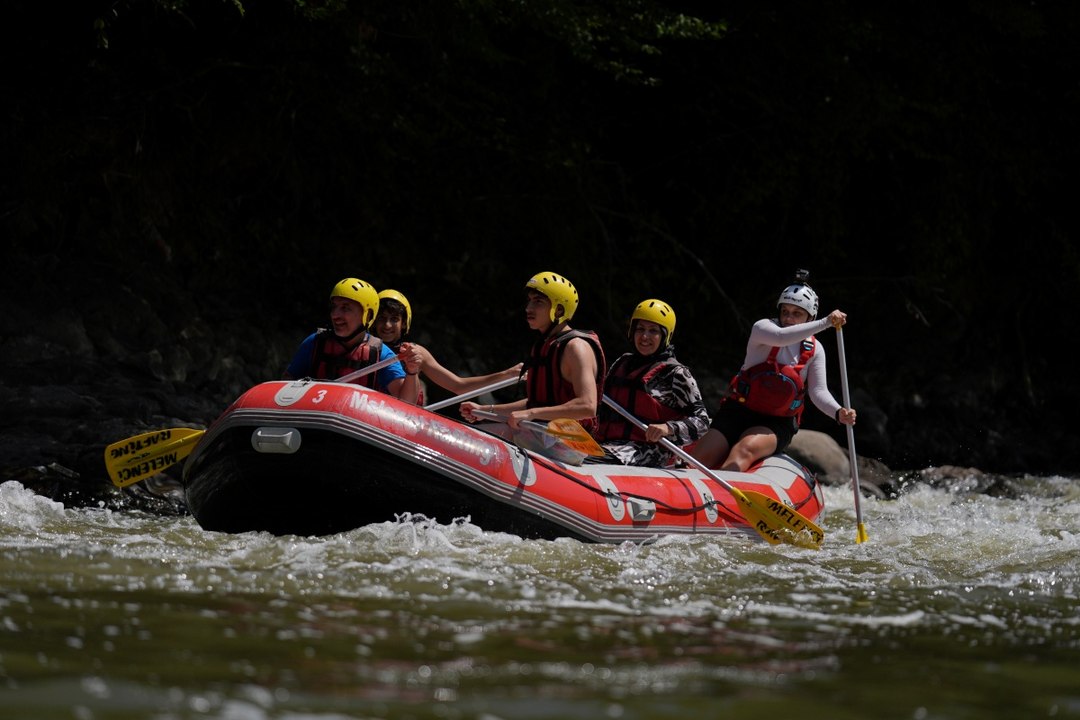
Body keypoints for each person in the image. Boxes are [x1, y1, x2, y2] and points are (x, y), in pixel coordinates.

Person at [691, 269, 857, 472]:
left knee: (744, 450)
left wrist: (839, 413)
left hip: (777, 422)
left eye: (797, 313)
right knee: (699, 459)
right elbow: (781, 337)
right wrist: (825, 323)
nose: (788, 318)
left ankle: (722, 497)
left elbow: (818, 392)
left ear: (809, 317)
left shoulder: (815, 349)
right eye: (785, 311)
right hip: (738, 410)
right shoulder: (763, 329)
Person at [460, 271, 606, 433]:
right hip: (540, 432)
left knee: (479, 435)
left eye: (538, 302)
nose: (528, 308)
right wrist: (485, 410)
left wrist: (531, 413)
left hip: (569, 442)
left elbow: (587, 406)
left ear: (558, 311)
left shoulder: (576, 347)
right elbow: (537, 404)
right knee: (471, 431)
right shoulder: (545, 346)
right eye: (530, 301)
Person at [595, 299, 711, 467]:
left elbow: (702, 422)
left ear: (665, 336)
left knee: (589, 459)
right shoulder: (623, 362)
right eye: (640, 329)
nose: (644, 337)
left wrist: (668, 428)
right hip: (607, 442)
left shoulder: (676, 373)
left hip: (648, 450)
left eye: (653, 331)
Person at [283, 277, 422, 403]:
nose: (335, 315)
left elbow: (407, 402)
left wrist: (412, 371)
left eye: (345, 308)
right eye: (334, 307)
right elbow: (284, 388)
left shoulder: (381, 354)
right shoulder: (315, 343)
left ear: (367, 316)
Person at [373, 289, 523, 404]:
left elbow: (459, 386)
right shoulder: (363, 346)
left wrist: (506, 374)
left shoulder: (416, 353)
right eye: (382, 318)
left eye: (394, 319)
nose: (387, 325)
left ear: (404, 323)